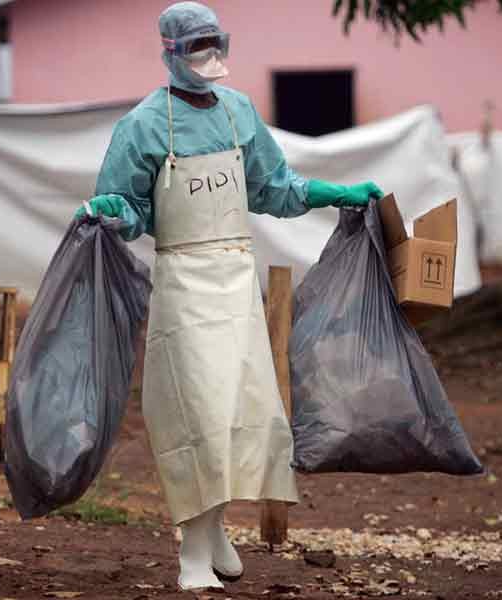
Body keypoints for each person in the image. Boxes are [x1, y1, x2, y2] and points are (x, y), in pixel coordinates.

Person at [75, 1, 382, 592]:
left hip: (236, 279)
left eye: (216, 42)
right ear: (169, 52)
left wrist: (333, 192)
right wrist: (117, 210)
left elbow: (273, 189)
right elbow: (131, 210)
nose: (209, 55)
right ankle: (191, 547)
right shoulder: (142, 125)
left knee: (238, 409)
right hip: (184, 283)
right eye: (195, 45)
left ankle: (214, 530)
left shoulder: (239, 111)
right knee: (194, 409)